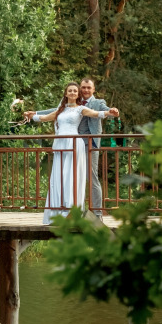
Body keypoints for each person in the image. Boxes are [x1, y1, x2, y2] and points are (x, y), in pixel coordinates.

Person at [24, 77, 119, 220]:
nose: (85, 90)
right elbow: (53, 113)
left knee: (91, 178)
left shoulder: (96, 103)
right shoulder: (70, 104)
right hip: (65, 144)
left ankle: (96, 214)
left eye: (88, 88)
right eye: (83, 88)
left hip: (87, 144)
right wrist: (34, 114)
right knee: (63, 175)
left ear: (93, 89)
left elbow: (101, 112)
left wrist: (111, 112)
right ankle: (62, 209)